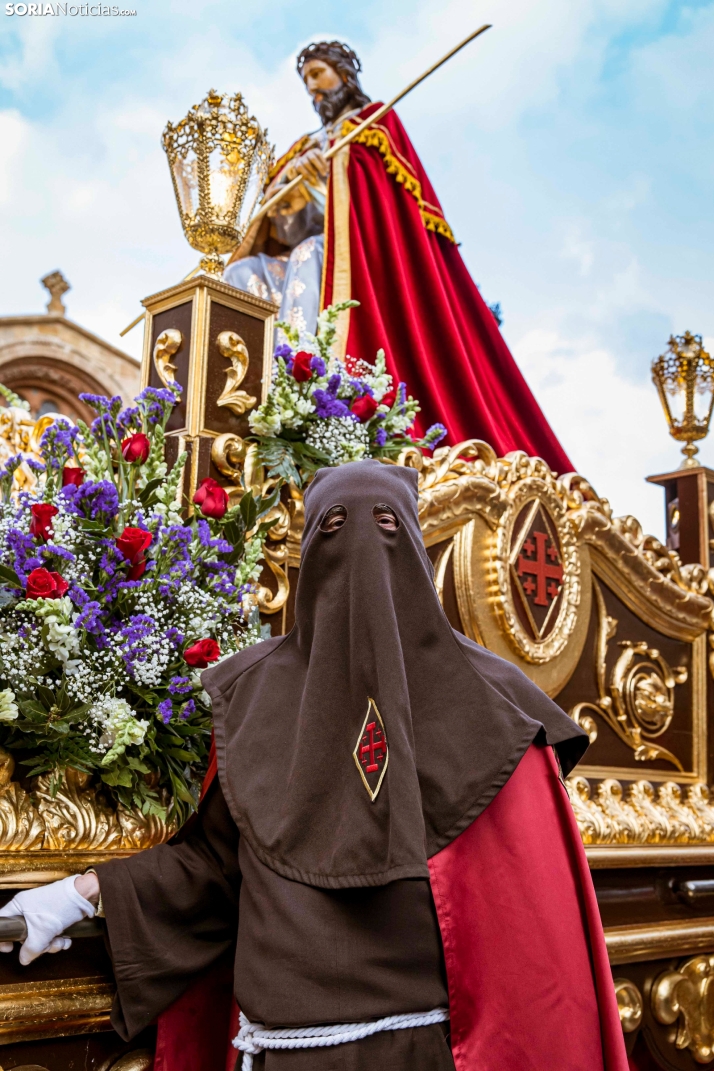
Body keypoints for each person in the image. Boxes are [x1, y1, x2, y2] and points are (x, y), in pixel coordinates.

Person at [0, 461, 627, 1071]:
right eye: (334, 526)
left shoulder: (495, 710)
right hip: (282, 1056)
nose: (361, 550)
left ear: (413, 547)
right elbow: (213, 866)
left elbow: (524, 925)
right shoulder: (255, 694)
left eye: (385, 523)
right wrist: (76, 895)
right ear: (310, 553)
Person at [224, 41, 573, 473]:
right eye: (306, 80)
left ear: (344, 74)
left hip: (355, 266)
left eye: (317, 74)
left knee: (309, 253)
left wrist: (334, 169)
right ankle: (258, 386)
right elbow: (280, 229)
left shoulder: (373, 124)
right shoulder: (305, 146)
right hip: (305, 261)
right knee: (242, 272)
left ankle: (304, 376)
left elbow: (380, 206)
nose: (312, 87)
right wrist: (288, 189)